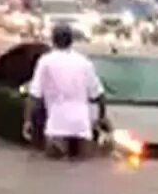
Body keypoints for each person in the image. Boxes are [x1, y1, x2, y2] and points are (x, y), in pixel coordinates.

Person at [22, 23, 106, 159]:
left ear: (53, 40)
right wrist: (101, 119)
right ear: (71, 40)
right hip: (81, 127)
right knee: (83, 172)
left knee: (54, 173)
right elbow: (100, 96)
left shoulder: (46, 62)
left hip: (57, 126)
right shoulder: (84, 62)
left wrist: (27, 121)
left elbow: (34, 96)